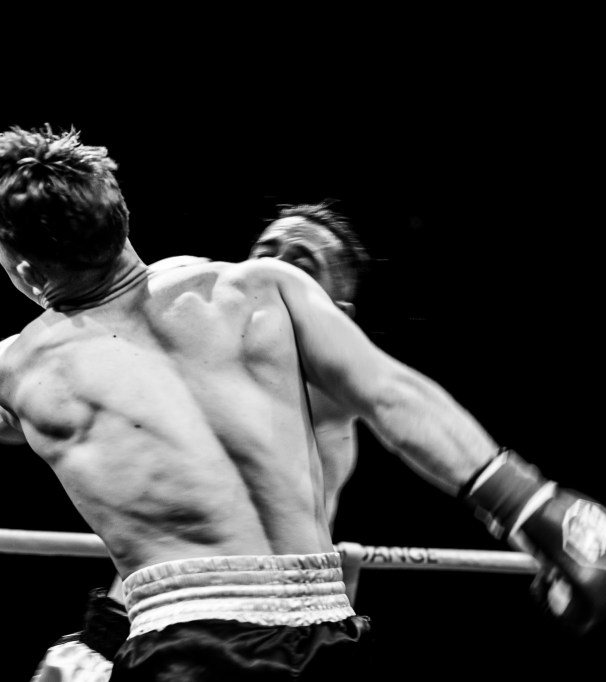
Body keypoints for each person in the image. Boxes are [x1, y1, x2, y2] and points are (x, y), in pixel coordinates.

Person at [0, 126, 606, 680]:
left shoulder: (20, 366)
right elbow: (394, 394)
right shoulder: (262, 291)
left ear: (27, 267)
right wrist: (534, 505)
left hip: (189, 644)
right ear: (120, 216)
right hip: (327, 632)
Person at [27, 202, 372, 681]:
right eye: (264, 254)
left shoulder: (328, 389)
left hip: (254, 638)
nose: (271, 268)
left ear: (337, 313)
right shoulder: (202, 366)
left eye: (300, 264)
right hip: (131, 625)